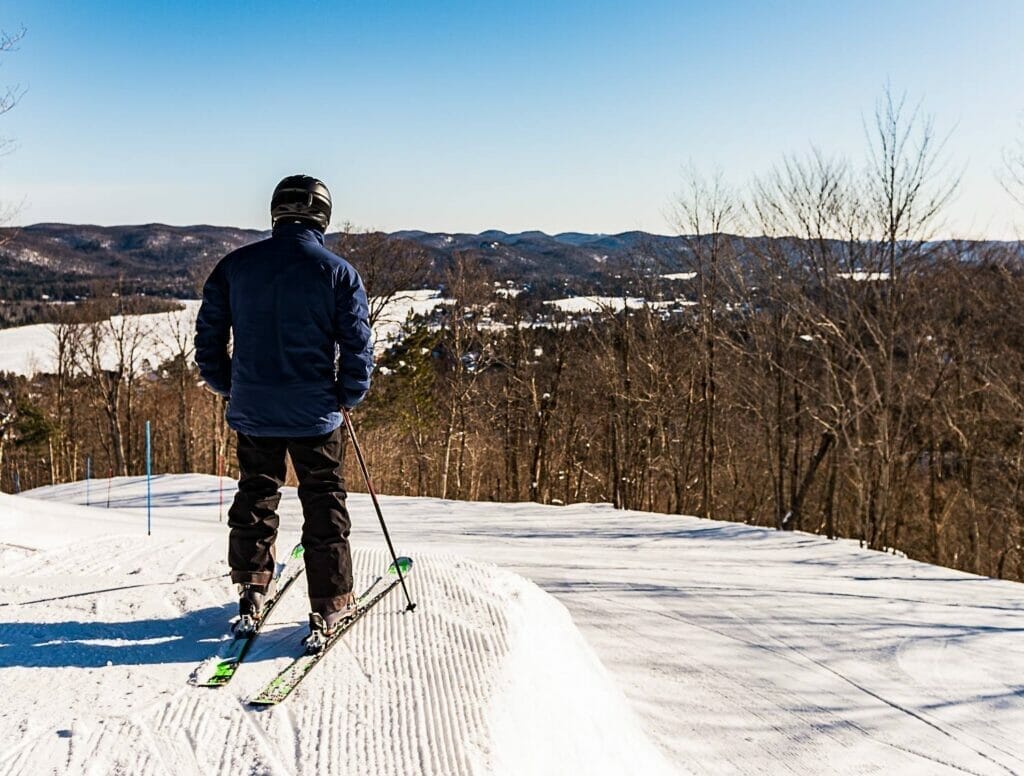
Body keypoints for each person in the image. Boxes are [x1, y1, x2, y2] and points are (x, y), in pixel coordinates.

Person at [194, 175, 373, 649]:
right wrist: (347, 395)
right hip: (315, 413)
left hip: (254, 409)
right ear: (323, 215)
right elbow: (357, 348)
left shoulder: (233, 267)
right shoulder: (338, 273)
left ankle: (251, 588)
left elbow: (208, 342)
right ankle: (331, 603)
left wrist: (230, 386)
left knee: (256, 492)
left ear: (276, 212)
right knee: (323, 500)